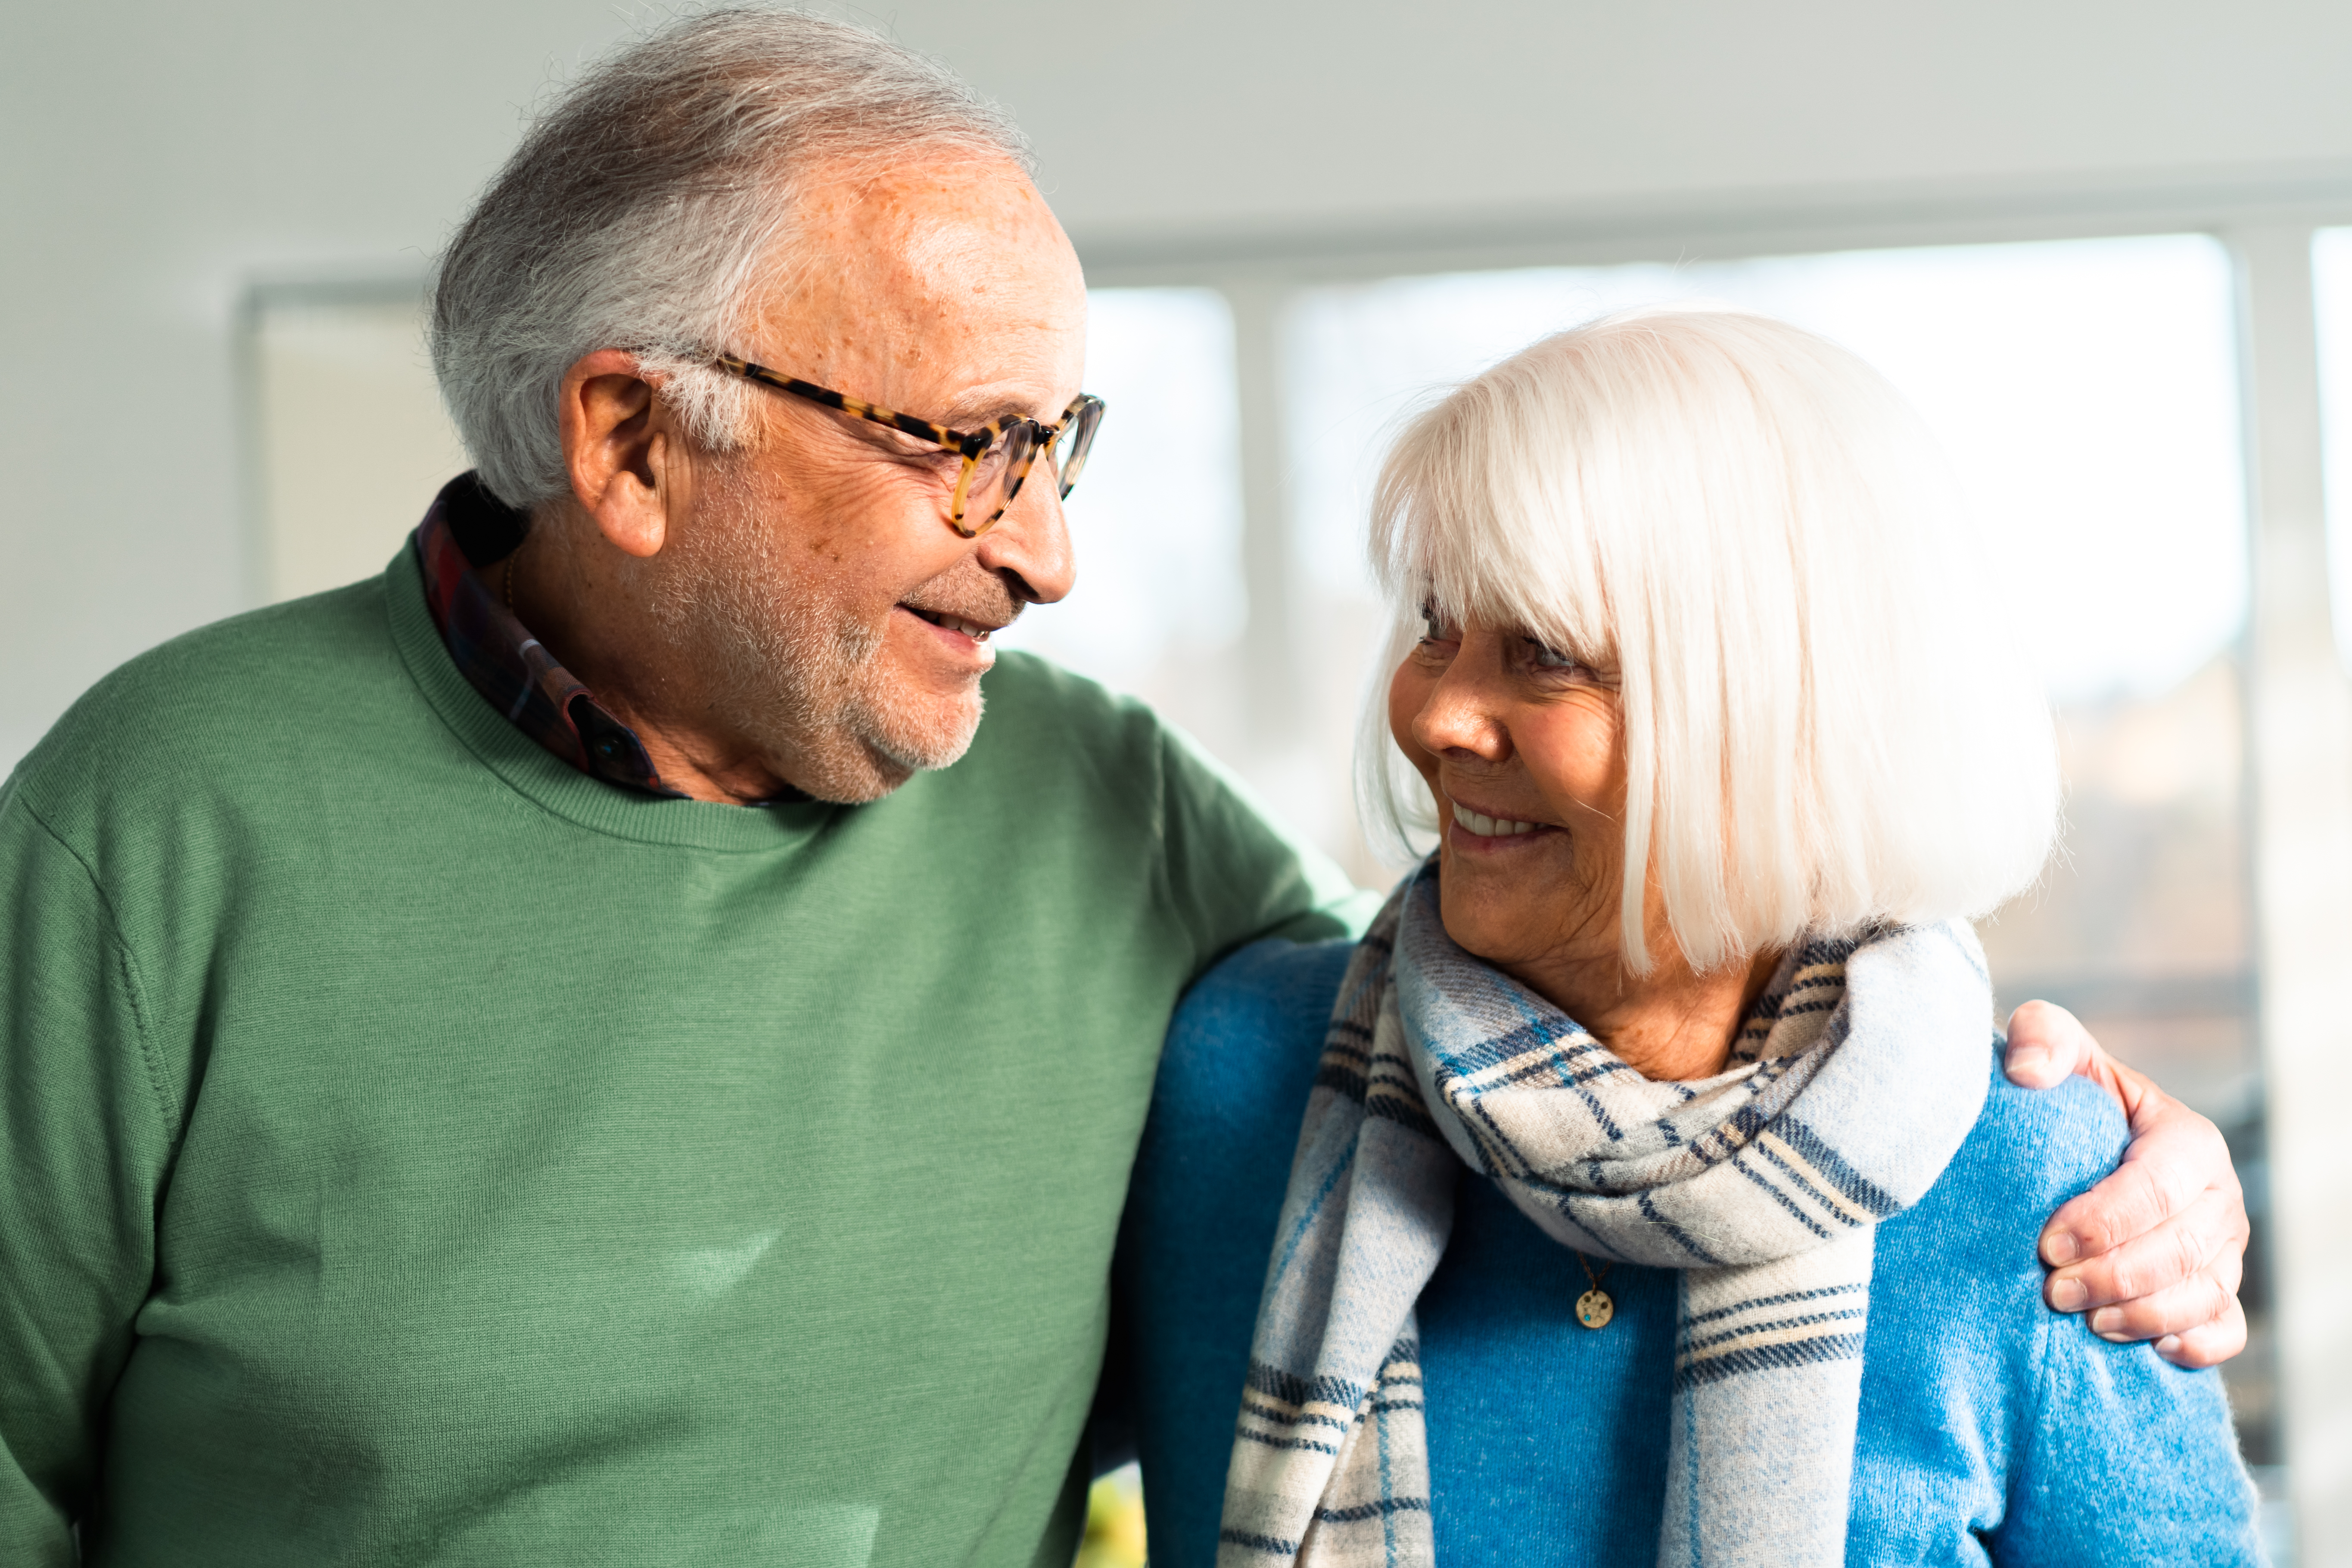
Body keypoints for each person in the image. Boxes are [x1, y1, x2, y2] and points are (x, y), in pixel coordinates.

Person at [0, 12, 2245, 1567]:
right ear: (626, 443)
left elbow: (1596, 999)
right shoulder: (161, 815)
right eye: (962, 442)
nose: (1050, 550)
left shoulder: (1111, 825)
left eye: (1059, 444)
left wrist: (2132, 1154)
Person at [1117, 311, 2260, 1566]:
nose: (1438, 710)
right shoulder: (1233, 1066)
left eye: (1541, 655)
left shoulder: (2037, 1180)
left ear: (1767, 714)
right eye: (1435, 625)